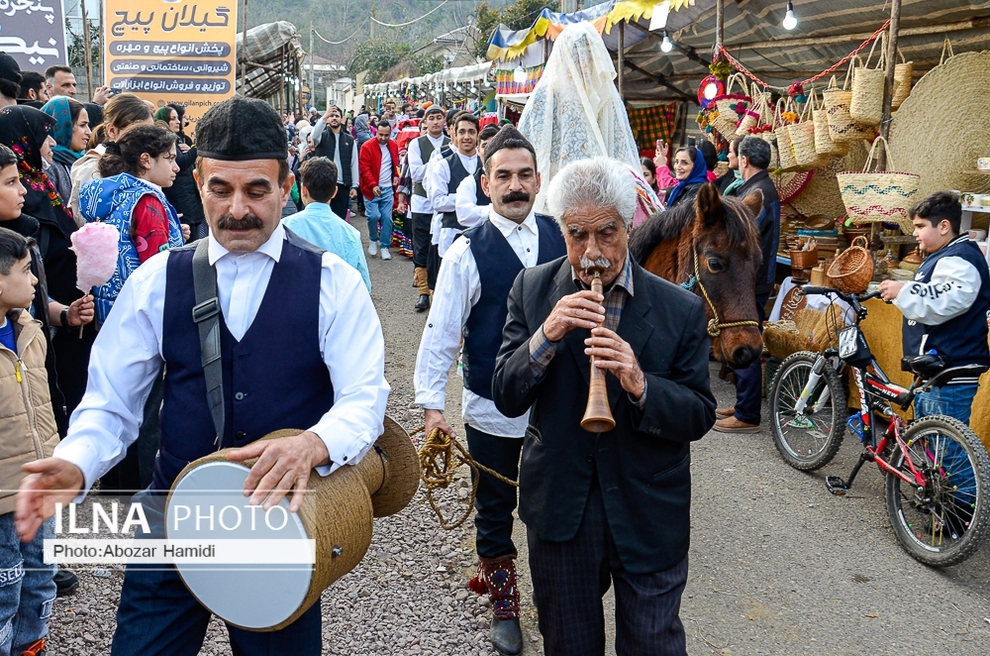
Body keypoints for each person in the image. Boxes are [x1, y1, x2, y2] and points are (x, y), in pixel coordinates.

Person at [14, 95, 389, 656]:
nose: (237, 209)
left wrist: (314, 443)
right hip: (170, 514)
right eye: (220, 189)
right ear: (198, 179)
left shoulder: (333, 283)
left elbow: (364, 397)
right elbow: (111, 402)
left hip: (281, 522)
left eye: (256, 190)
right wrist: (76, 463)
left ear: (286, 187)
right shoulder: (158, 279)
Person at [491, 156, 715, 655]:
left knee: (653, 644)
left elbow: (699, 413)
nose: (592, 252)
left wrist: (640, 383)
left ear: (629, 224)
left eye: (607, 234)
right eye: (576, 235)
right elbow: (506, 394)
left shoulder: (680, 309)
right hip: (562, 509)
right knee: (569, 645)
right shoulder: (531, 291)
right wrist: (546, 335)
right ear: (561, 230)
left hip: (647, 509)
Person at [415, 127, 565, 656]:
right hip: (492, 407)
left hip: (559, 406)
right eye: (503, 176)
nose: (515, 186)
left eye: (524, 175)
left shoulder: (563, 237)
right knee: (495, 506)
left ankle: (556, 599)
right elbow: (441, 332)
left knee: (556, 504)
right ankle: (504, 604)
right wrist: (433, 407)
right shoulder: (465, 253)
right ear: (486, 183)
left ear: (538, 179)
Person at [0, 227, 61, 656]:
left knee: (41, 577)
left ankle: (29, 647)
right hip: (3, 498)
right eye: (26, 271)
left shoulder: (29, 331)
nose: (36, 280)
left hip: (39, 484)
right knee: (5, 586)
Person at [879, 191, 990, 424]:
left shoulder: (960, 258)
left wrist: (903, 291)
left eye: (920, 226)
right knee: (934, 448)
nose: (915, 233)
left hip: (950, 372)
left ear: (944, 226)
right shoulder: (943, 255)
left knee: (949, 452)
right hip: (936, 370)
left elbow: (942, 301)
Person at [517, 22, 640, 214]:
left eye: (589, 58)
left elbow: (620, 155)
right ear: (564, 59)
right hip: (552, 206)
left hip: (600, 206)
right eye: (578, 57)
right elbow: (527, 155)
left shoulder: (604, 98)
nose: (583, 65)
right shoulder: (545, 98)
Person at [714, 136, 780, 434]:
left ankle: (748, 414)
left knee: (745, 339)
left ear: (744, 160)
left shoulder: (760, 192)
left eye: (733, 156)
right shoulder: (759, 188)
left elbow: (738, 240)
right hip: (753, 279)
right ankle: (743, 404)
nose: (731, 160)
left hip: (751, 281)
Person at [283, 156, 372, 291]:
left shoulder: (284, 228)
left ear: (304, 190)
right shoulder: (350, 234)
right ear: (334, 191)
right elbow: (364, 286)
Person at [69, 93, 154, 220]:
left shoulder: (139, 163)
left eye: (150, 132)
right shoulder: (93, 168)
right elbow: (87, 223)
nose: (147, 139)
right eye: (138, 131)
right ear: (112, 131)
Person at [408, 105, 449, 311]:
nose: (435, 122)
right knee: (421, 247)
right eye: (431, 118)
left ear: (444, 121)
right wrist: (436, 162)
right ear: (425, 122)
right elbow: (415, 174)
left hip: (445, 205)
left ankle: (439, 290)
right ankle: (423, 292)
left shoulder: (451, 144)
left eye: (438, 118)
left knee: (441, 248)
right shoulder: (417, 144)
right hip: (422, 204)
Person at [426, 112, 480, 258]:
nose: (467, 137)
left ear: (477, 135)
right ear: (454, 134)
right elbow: (437, 201)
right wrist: (467, 198)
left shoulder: (487, 165)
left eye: (471, 132)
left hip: (481, 234)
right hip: (452, 234)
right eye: (462, 132)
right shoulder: (443, 166)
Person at [157, 105, 206, 241]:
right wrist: (196, 147)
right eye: (173, 119)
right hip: (181, 198)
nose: (178, 122)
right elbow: (182, 163)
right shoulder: (167, 141)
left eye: (178, 118)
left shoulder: (178, 139)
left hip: (188, 197)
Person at [358, 121, 399, 259]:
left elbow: (395, 163)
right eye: (380, 134)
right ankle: (373, 239)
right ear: (376, 132)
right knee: (373, 216)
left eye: (386, 135)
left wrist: (395, 176)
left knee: (387, 218)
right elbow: (364, 168)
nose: (383, 138)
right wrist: (373, 184)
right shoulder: (367, 146)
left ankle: (385, 246)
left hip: (388, 188)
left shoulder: (393, 145)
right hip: (371, 188)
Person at [39, 96, 91, 204]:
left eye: (88, 125)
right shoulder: (48, 165)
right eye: (82, 125)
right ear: (63, 126)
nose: (89, 132)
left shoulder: (83, 160)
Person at [454, 123, 500, 228]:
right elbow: (464, 215)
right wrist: (498, 209)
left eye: (494, 145)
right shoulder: (469, 183)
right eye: (485, 145)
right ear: (478, 150)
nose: (490, 150)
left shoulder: (513, 179)